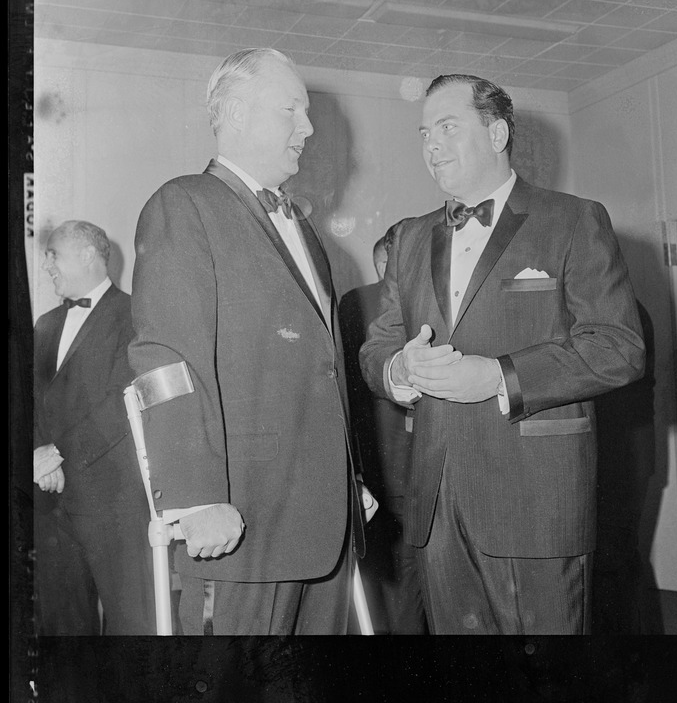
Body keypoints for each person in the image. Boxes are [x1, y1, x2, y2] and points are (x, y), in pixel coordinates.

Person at [359, 73, 646, 635]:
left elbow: (619, 347)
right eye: (423, 134)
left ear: (495, 134)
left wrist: (496, 376)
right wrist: (399, 370)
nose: (431, 146)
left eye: (447, 128)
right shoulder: (411, 239)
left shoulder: (573, 219)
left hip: (535, 503)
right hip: (436, 506)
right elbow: (379, 347)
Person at [128, 47, 366, 635]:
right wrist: (193, 499)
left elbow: (317, 373)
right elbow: (166, 361)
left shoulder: (304, 231)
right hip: (241, 526)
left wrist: (348, 477)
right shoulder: (184, 205)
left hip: (323, 525)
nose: (308, 128)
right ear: (234, 114)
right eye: (292, 109)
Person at [33, 220, 154, 635]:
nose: (47, 265)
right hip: (51, 504)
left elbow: (123, 400)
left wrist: (56, 455)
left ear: (89, 253)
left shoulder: (135, 314)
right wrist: (37, 456)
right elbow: (30, 401)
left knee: (131, 626)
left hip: (113, 502)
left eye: (55, 255)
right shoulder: (44, 325)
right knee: (63, 631)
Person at [339, 220, 428, 635]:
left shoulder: (355, 302)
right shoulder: (404, 300)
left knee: (389, 582)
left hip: (382, 464)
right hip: (413, 462)